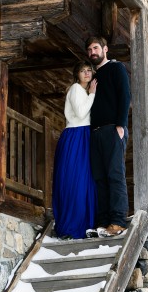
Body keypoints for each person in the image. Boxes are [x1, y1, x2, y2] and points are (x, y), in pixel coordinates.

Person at [85, 36, 130, 237]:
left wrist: (121, 125)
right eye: (89, 49)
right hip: (95, 133)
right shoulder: (94, 77)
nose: (92, 52)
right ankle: (103, 222)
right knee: (99, 179)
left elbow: (125, 95)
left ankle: (118, 221)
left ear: (105, 49)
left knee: (115, 176)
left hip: (113, 130)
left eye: (95, 48)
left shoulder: (116, 68)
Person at [52, 61, 97, 239]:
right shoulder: (76, 89)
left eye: (89, 70)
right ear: (76, 74)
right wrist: (92, 94)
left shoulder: (83, 91)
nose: (86, 73)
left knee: (85, 180)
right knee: (75, 180)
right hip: (76, 135)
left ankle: (85, 223)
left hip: (83, 135)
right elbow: (80, 113)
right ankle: (72, 225)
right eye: (82, 71)